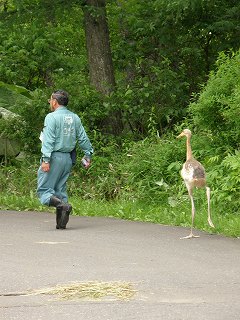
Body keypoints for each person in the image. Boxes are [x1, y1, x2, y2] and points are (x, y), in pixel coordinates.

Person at [37, 90, 93, 229]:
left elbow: (48, 140)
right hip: (67, 159)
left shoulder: (51, 117)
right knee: (60, 190)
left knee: (44, 190)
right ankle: (61, 224)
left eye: (50, 100)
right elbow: (83, 138)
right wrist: (88, 154)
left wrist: (45, 160)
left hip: (53, 157)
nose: (50, 102)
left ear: (55, 102)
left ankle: (62, 205)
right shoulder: (75, 117)